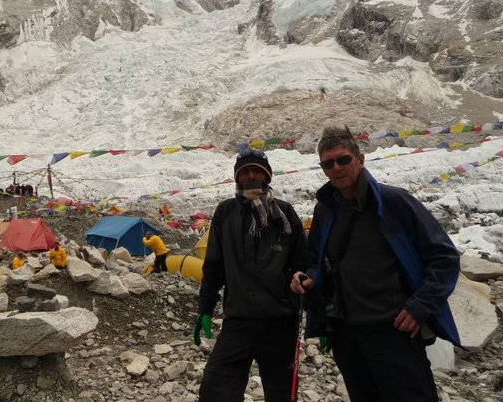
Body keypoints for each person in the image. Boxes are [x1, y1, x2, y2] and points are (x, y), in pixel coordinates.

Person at [290, 126, 460, 402]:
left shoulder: (394, 202)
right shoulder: (324, 210)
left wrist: (419, 307)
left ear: (360, 159)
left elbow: (444, 257)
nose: (337, 168)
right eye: (328, 163)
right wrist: (309, 278)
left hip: (393, 331)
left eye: (343, 159)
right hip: (346, 334)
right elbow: (317, 261)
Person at [195, 149, 307, 402]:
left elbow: (303, 264)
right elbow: (214, 266)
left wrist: (320, 318)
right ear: (237, 177)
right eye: (245, 171)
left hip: (280, 322)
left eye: (257, 171)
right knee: (215, 389)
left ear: (267, 176)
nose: (251, 176)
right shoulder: (225, 213)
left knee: (281, 394)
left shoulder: (285, 215)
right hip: (238, 321)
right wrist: (205, 307)